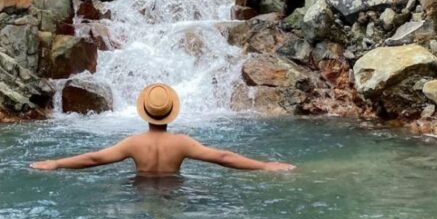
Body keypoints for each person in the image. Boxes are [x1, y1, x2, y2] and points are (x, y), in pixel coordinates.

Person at [30, 83, 295, 175]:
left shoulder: (133, 143)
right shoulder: (182, 143)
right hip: (173, 192)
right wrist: (263, 166)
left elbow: (94, 159)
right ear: (171, 114)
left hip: (138, 191)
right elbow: (223, 157)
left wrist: (56, 163)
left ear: (144, 112)